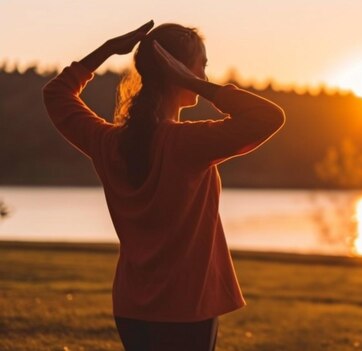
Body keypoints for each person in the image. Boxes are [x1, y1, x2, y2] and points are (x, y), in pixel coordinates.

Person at [43, 21, 285, 350]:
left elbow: (56, 94)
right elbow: (269, 118)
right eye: (202, 65)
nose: (204, 73)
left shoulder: (108, 142)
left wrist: (107, 50)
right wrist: (194, 83)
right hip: (186, 308)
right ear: (179, 71)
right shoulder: (186, 143)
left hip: (131, 307)